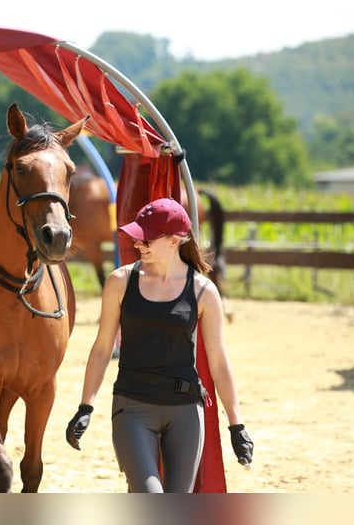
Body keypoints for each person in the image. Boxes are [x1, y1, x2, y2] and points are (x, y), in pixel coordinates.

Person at [65, 197, 253, 493]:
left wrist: (236, 425)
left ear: (175, 239)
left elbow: (218, 362)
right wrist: (85, 406)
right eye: (138, 237)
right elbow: (102, 348)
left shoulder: (203, 291)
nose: (139, 244)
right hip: (133, 407)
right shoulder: (120, 281)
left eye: (147, 239)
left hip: (186, 411)